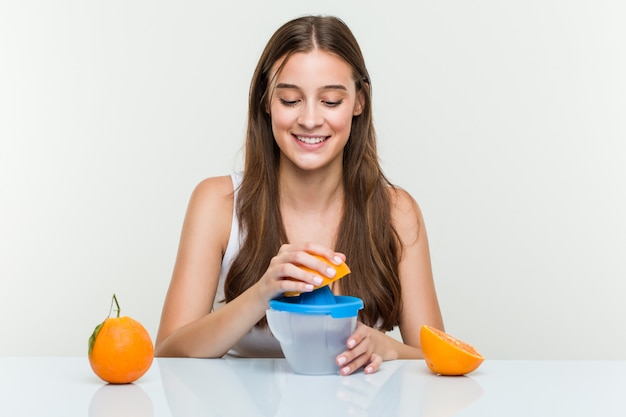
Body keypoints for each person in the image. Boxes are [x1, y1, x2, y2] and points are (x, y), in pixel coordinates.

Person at [155, 15, 444, 376]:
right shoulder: (216, 202)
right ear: (265, 101)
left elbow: (438, 357)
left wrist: (389, 348)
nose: (309, 119)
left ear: (359, 102)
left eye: (331, 101)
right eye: (291, 100)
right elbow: (168, 352)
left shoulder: (397, 212)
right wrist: (262, 293)